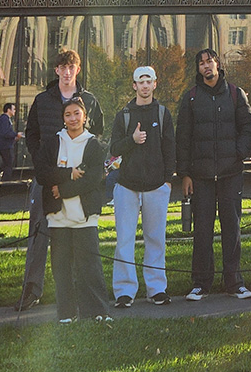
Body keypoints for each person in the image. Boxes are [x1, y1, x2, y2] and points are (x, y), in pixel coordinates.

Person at [16, 48, 104, 311]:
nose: (67, 72)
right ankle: (32, 289)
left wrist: (83, 170)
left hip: (79, 182)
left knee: (79, 237)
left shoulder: (89, 100)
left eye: (71, 67)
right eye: (62, 68)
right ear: (56, 71)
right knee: (38, 234)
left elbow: (97, 136)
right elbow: (31, 134)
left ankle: (80, 295)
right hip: (47, 180)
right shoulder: (43, 100)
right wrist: (43, 162)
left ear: (77, 70)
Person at [176, 48, 251, 301]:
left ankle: (234, 282)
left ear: (218, 64)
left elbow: (248, 127)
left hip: (231, 174)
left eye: (209, 61)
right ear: (198, 69)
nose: (206, 66)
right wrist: (185, 174)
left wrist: (238, 153)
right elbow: (183, 139)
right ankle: (201, 283)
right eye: (201, 63)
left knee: (232, 228)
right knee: (203, 231)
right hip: (200, 177)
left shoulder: (235, 94)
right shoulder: (190, 98)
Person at [38, 97, 111, 323]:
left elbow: (93, 180)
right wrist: (68, 173)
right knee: (61, 268)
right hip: (58, 217)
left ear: (85, 117)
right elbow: (42, 173)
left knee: (89, 267)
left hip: (84, 216)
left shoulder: (94, 145)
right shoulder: (52, 143)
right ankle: (67, 314)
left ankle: (97, 312)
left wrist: (64, 190)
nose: (72, 119)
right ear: (63, 118)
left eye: (77, 114)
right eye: (68, 114)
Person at [110, 65, 176, 308]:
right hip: (126, 186)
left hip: (157, 185)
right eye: (141, 81)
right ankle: (125, 292)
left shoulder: (163, 114)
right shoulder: (124, 115)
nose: (145, 85)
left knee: (156, 239)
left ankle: (156, 289)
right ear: (134, 85)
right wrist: (132, 140)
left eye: (149, 81)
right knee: (124, 240)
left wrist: (168, 180)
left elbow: (170, 149)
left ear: (155, 84)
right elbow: (113, 149)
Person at [0, 103, 19, 182]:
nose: (15, 111)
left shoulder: (5, 119)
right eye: (14, 109)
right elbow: (5, 133)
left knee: (5, 164)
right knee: (8, 164)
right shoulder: (4, 119)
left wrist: (14, 138)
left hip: (6, 145)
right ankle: (6, 181)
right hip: (5, 146)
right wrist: (16, 134)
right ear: (8, 110)